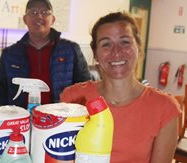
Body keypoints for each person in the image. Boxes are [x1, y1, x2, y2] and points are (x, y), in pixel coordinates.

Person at [60, 12, 180, 163]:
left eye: (125, 42)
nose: (116, 51)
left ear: (139, 48)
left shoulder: (165, 108)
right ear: (96, 54)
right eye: (106, 44)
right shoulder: (73, 98)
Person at [0, 0, 92, 108]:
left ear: (53, 19)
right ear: (25, 19)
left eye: (45, 12)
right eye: (33, 12)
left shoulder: (71, 50)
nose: (39, 16)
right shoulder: (9, 54)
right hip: (20, 119)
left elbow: (86, 88)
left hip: (61, 119)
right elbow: (0, 95)